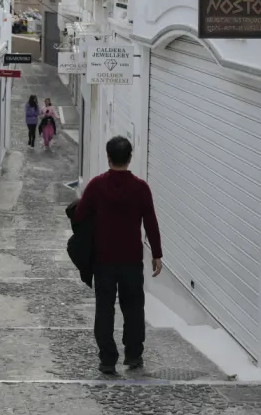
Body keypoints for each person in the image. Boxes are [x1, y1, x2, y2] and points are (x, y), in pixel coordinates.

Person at [73, 136, 163, 376]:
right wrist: (156, 253)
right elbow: (151, 222)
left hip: (103, 260)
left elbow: (80, 216)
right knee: (134, 308)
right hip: (132, 260)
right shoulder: (141, 188)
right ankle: (133, 355)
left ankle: (107, 359)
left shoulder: (96, 186)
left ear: (108, 156)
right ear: (130, 157)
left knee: (105, 309)